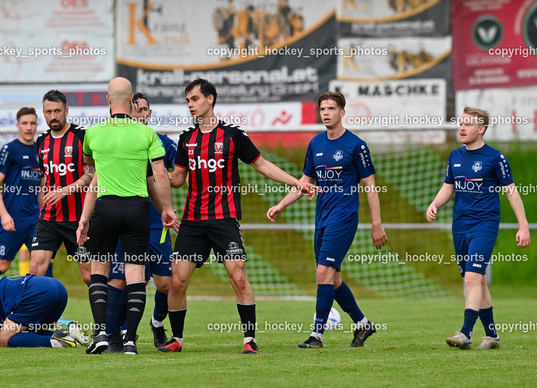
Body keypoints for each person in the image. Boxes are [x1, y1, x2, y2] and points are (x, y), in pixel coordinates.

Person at [158, 78, 315, 355]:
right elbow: (177, 179)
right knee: (177, 280)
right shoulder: (186, 139)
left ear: (210, 99)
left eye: (195, 99)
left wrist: (296, 183)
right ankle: (177, 339)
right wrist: (154, 171)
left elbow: (262, 165)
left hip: (225, 219)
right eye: (187, 101)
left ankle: (249, 339)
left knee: (238, 276)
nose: (190, 105)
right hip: (192, 221)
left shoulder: (232, 136)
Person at [267, 91, 388, 349]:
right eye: (323, 109)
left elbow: (370, 186)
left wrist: (376, 223)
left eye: (331, 108)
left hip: (344, 218)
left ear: (342, 112)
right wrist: (280, 205)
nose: (326, 113)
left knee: (323, 272)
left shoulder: (356, 145)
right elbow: (304, 184)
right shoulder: (315, 145)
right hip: (321, 218)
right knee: (331, 279)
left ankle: (317, 335)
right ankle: (363, 324)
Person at [77, 77, 177, 355]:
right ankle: (131, 340)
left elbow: (94, 177)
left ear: (107, 99)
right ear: (132, 100)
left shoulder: (93, 133)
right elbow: (158, 175)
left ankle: (101, 335)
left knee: (100, 272)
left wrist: (84, 218)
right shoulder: (147, 135)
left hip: (105, 208)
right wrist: (167, 209)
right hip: (137, 209)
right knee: (135, 275)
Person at [427, 106, 530, 350]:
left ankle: (465, 333)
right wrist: (435, 203)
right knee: (477, 280)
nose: (462, 128)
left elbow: (511, 193)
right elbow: (448, 187)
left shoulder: (496, 158)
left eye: (468, 124)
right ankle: (492, 335)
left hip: (485, 225)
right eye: (460, 123)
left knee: (472, 278)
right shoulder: (455, 156)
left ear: (481, 129)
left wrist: (523, 226)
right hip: (459, 226)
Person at [103, 92, 178, 353]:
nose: (142, 114)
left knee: (166, 283)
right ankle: (117, 333)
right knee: (125, 279)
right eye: (137, 110)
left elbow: (176, 177)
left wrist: (168, 192)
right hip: (125, 219)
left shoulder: (164, 143)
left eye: (146, 109)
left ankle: (157, 323)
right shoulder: (118, 141)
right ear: (129, 113)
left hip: (156, 223)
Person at [0, 107, 43, 297]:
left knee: (42, 261)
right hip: (12, 219)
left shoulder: (41, 150)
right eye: (24, 123)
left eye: (32, 123)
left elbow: (42, 187)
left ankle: (44, 311)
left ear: (37, 125)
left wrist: (44, 214)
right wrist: (4, 214)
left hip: (35, 219)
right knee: (2, 264)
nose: (29, 127)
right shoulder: (10, 149)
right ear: (17, 125)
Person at [29, 90, 94, 285]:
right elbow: (46, 177)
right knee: (35, 269)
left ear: (66, 110)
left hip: (79, 218)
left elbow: (91, 174)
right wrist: (43, 198)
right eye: (48, 112)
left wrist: (65, 190)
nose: (53, 116)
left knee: (89, 275)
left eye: (57, 111)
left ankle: (110, 314)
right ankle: (35, 315)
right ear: (43, 112)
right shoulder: (41, 142)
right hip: (50, 218)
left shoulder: (82, 137)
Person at [0, 274, 87, 348]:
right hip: (58, 288)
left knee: (4, 340)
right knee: (35, 332)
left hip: (37, 291)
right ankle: (70, 335)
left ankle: (58, 342)